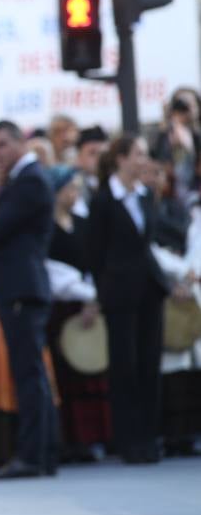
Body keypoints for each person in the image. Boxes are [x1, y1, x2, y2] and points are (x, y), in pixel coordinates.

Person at [0, 120, 58, 479]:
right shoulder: (23, 181)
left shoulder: (29, 182)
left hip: (22, 287)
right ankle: (42, 455)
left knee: (29, 374)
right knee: (32, 373)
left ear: (21, 143)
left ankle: (31, 456)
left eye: (2, 145)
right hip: (22, 287)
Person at [86, 134, 169, 465]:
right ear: (120, 158)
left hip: (150, 287)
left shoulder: (147, 195)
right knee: (125, 365)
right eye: (137, 154)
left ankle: (150, 436)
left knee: (150, 363)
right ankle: (129, 439)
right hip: (120, 292)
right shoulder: (103, 201)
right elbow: (95, 253)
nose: (143, 161)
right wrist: (102, 292)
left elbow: (148, 242)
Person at [44, 167, 110, 462]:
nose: (75, 194)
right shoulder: (45, 228)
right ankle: (68, 440)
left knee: (90, 372)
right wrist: (83, 293)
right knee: (64, 373)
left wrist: (93, 300)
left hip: (88, 306)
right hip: (59, 307)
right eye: (70, 188)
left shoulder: (85, 224)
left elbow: (96, 263)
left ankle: (93, 438)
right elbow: (51, 271)